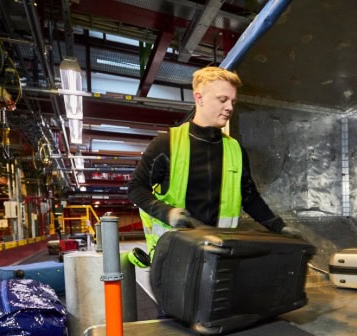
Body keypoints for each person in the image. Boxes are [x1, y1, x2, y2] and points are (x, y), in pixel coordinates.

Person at [127, 66, 300, 263]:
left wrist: (279, 227)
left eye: (233, 101)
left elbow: (249, 197)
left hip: (218, 255)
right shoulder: (167, 144)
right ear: (199, 98)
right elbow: (136, 188)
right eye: (222, 99)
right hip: (174, 256)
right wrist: (167, 212)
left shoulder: (235, 149)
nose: (230, 107)